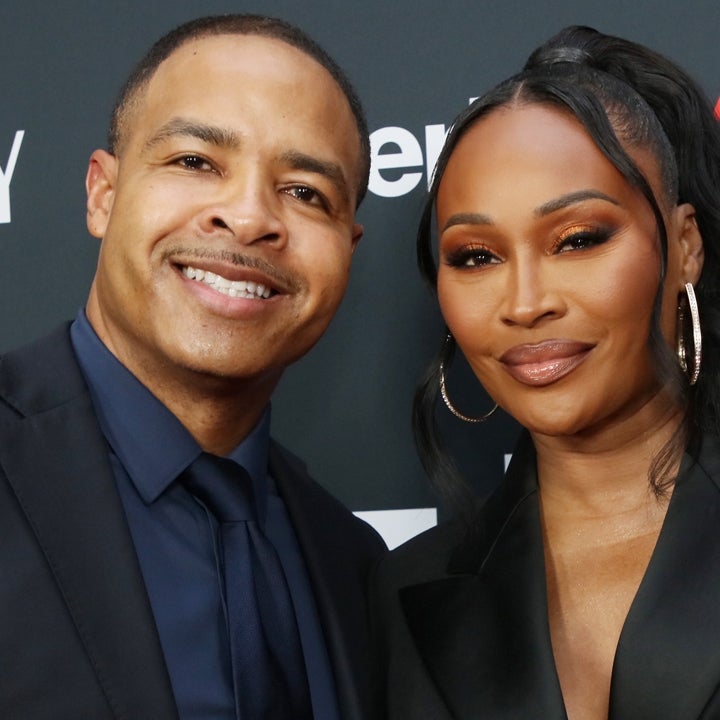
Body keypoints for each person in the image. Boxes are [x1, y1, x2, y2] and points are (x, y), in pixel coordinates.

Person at [0, 14, 385, 720]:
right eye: (195, 162)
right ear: (103, 194)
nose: (248, 218)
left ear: (347, 249)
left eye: (305, 192)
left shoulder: (353, 562)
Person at [373, 25, 720, 720]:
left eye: (578, 240)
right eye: (476, 256)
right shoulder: (401, 594)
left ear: (685, 245)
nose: (526, 303)